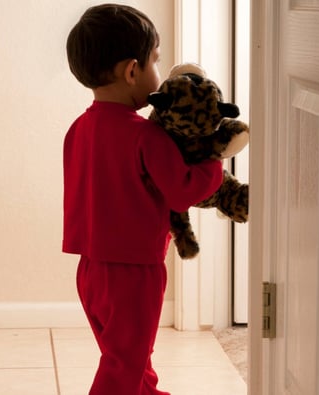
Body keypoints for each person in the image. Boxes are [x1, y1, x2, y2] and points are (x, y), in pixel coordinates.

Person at [63, 4, 224, 395]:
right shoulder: (145, 136)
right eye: (155, 60)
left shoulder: (79, 129)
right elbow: (184, 190)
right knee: (125, 360)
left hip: (90, 270)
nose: (158, 71)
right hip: (133, 272)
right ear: (132, 71)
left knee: (126, 352)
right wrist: (212, 159)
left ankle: (146, 392)